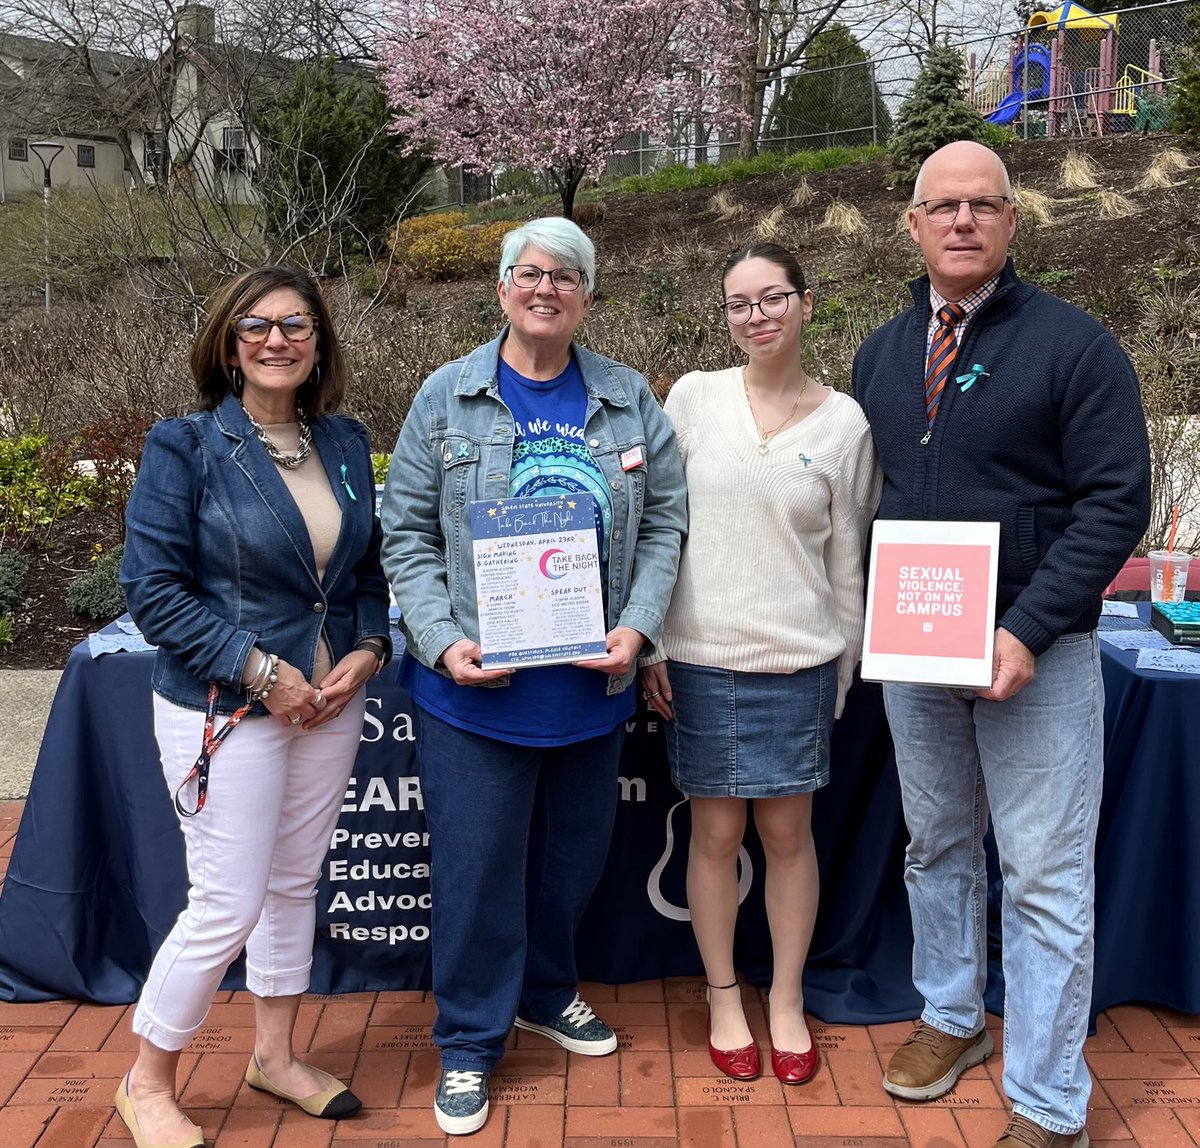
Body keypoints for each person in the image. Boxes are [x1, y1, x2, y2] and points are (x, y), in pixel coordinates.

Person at [852, 141, 1150, 1148]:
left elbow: (1116, 506)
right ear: (914, 223)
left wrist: (1026, 628)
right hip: (919, 655)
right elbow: (882, 500)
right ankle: (949, 1016)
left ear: (1014, 221)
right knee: (935, 844)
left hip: (1037, 659)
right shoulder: (885, 352)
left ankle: (1051, 1102)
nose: (964, 221)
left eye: (985, 204)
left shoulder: (1077, 345)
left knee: (1044, 875)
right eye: (945, 205)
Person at [380, 217, 686, 1136]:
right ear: (503, 287)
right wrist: (438, 641)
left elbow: (666, 524)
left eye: (565, 276)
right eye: (528, 272)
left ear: (587, 296)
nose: (544, 287)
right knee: (476, 873)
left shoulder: (629, 401)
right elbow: (407, 535)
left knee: (569, 865)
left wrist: (638, 627)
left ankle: (547, 991)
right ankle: (470, 1040)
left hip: (591, 690)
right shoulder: (448, 397)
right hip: (476, 693)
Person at [117, 266, 391, 1148]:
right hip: (224, 707)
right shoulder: (185, 446)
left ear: (319, 345)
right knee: (226, 904)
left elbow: (365, 577)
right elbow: (152, 592)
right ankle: (145, 1078)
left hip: (326, 703)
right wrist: (261, 670)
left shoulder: (344, 443)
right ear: (228, 342)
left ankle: (274, 1059)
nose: (278, 339)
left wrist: (366, 650)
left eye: (298, 325)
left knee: (289, 885)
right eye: (257, 325)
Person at [639, 243, 880, 1086]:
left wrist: (843, 668)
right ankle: (722, 994)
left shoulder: (845, 422)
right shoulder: (694, 398)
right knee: (714, 834)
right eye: (739, 303)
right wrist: (655, 644)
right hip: (702, 661)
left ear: (805, 304)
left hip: (800, 664)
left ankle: (783, 998)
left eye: (772, 298)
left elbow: (848, 559)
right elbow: (657, 526)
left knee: (787, 836)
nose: (756, 316)